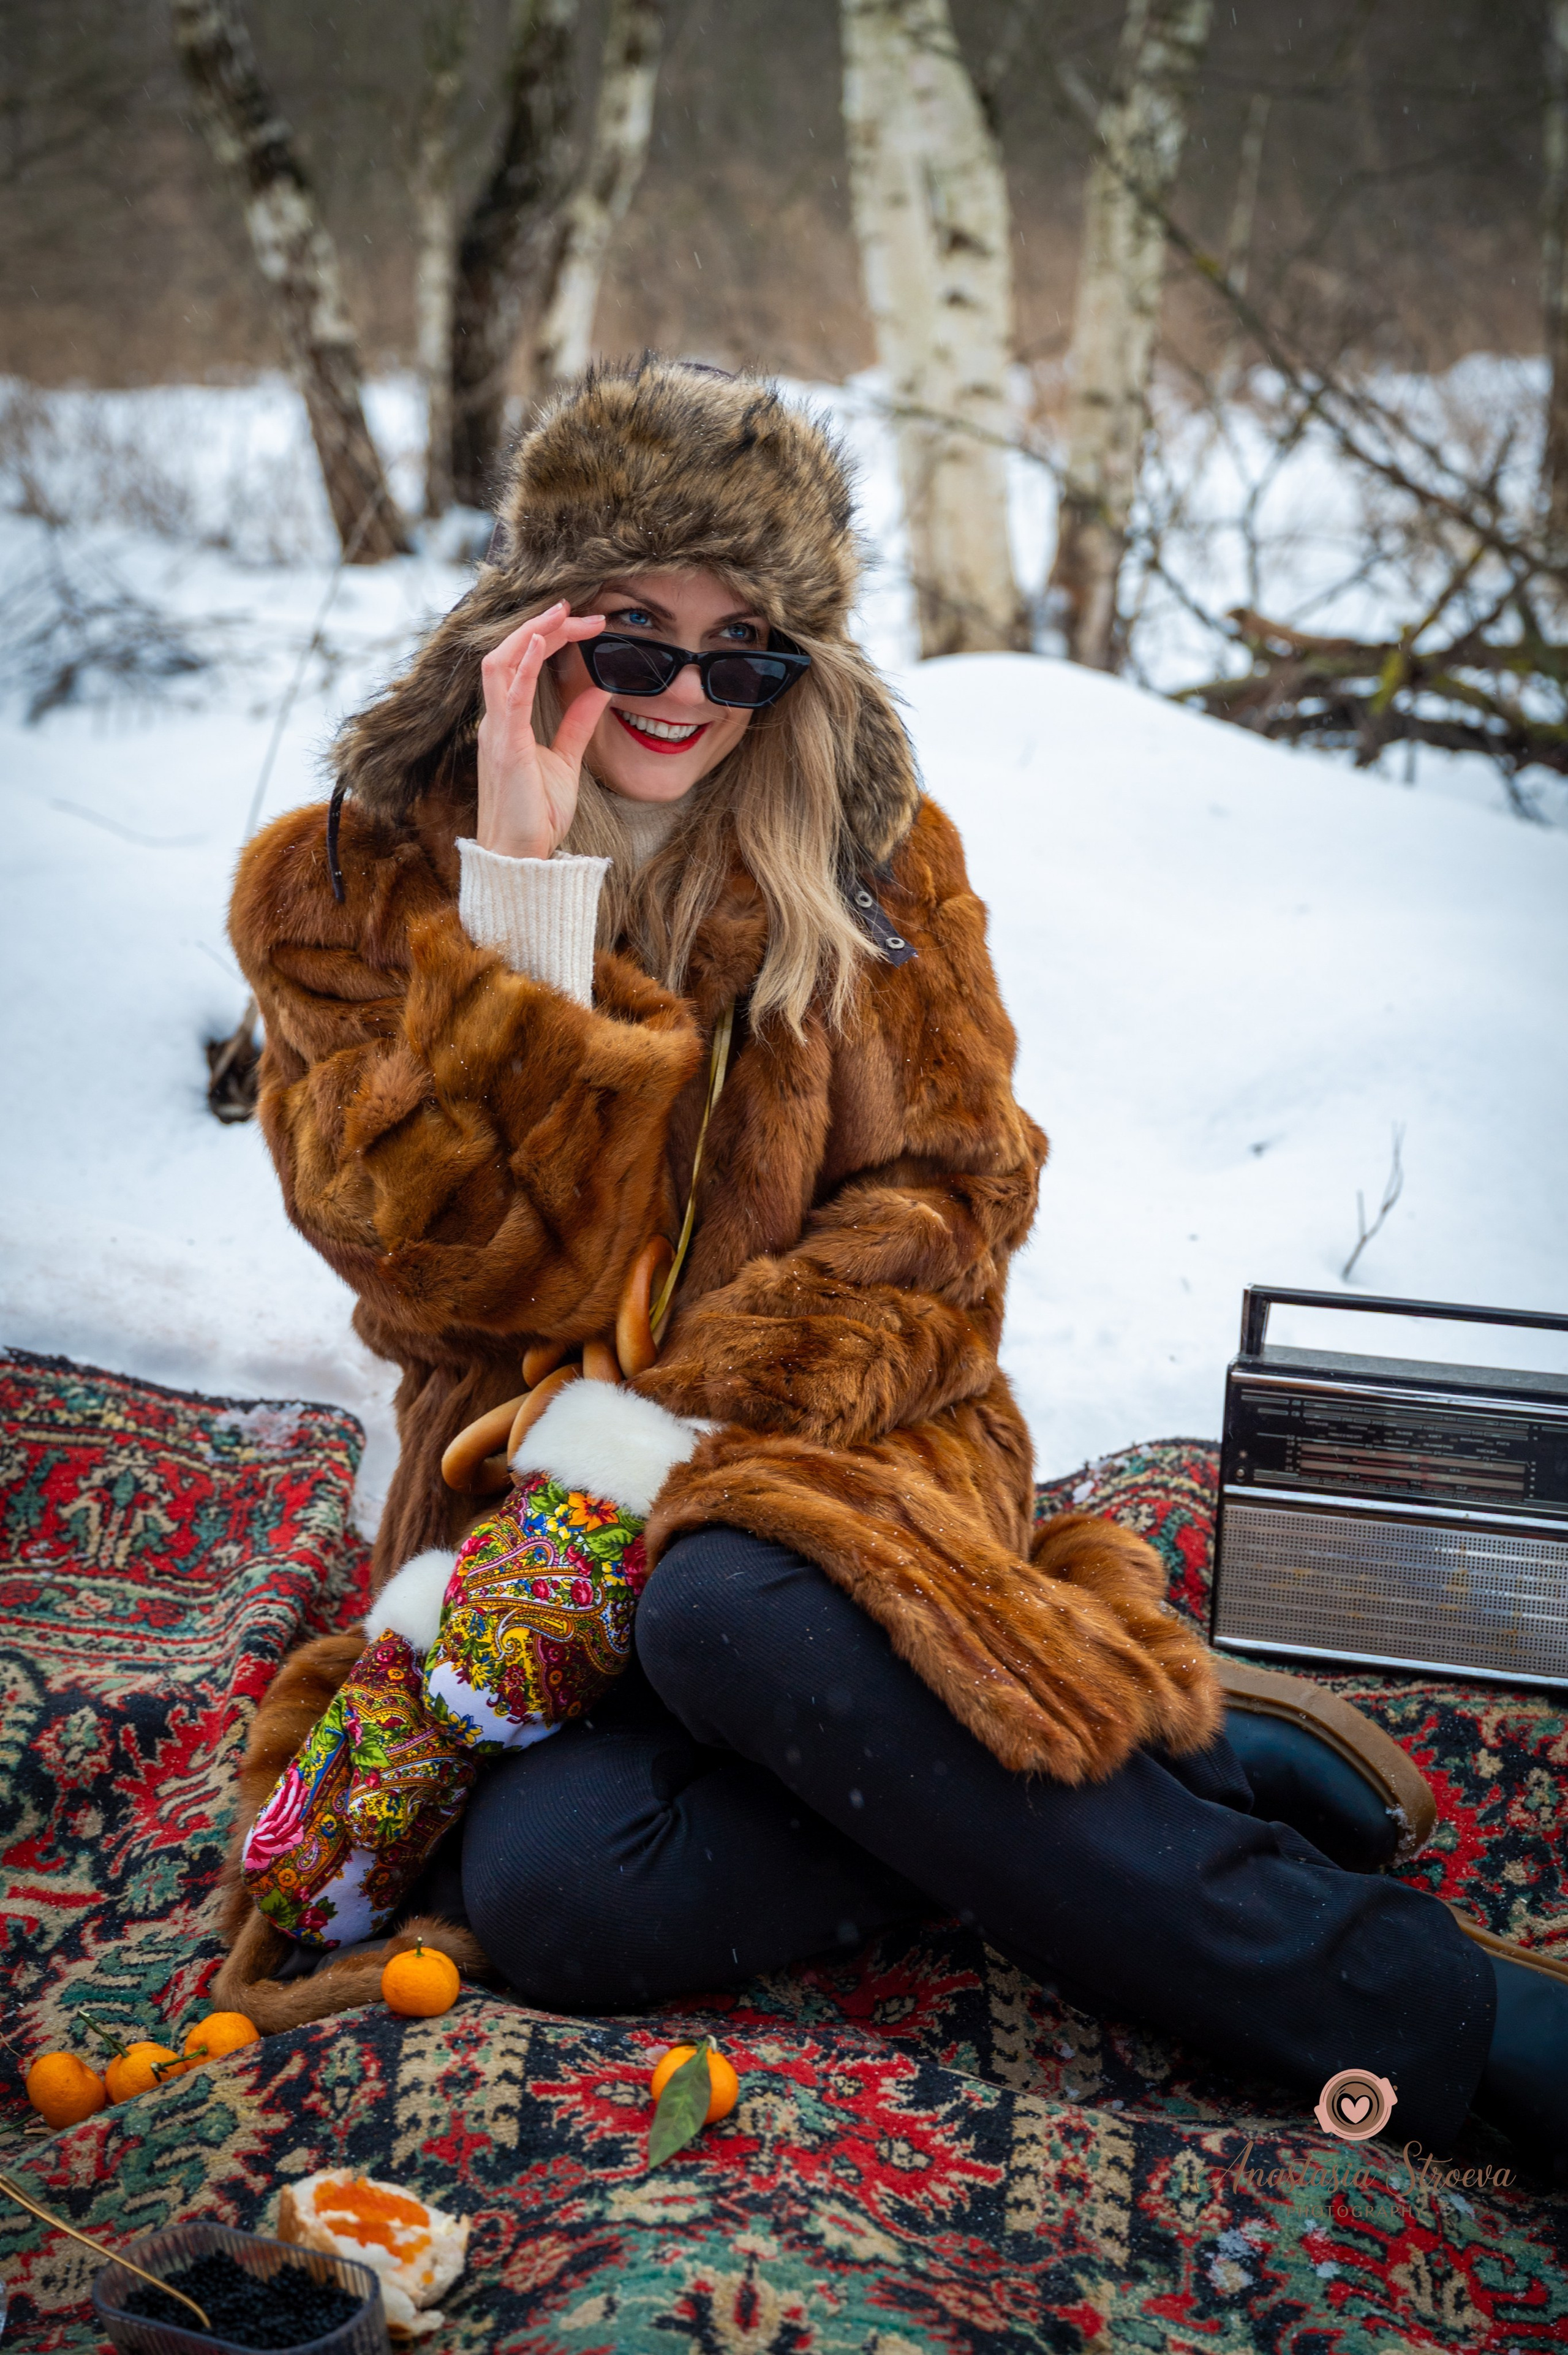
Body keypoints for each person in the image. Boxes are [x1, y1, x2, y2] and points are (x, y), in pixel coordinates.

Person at [225, 358, 1564, 2166]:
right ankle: (1145, 1753)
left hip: (848, 1477)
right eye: (635, 639)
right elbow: (443, 1285)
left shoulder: (867, 854)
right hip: (518, 1555)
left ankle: (1437, 2007)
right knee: (556, 1899)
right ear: (531, 633)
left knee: (718, 1598)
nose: (691, 695)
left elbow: (953, 1200)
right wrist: (523, 915)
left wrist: (680, 1452)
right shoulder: (345, 890)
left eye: (747, 650)